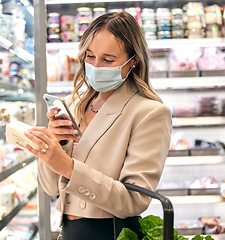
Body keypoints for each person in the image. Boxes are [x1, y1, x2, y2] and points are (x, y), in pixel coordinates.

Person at [24, 11, 172, 240]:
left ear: (134, 61)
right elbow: (51, 189)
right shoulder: (72, 104)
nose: (94, 66)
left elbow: (134, 201)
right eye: (90, 56)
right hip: (69, 232)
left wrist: (68, 167)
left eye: (108, 60)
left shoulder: (149, 113)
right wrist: (51, 147)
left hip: (111, 233)